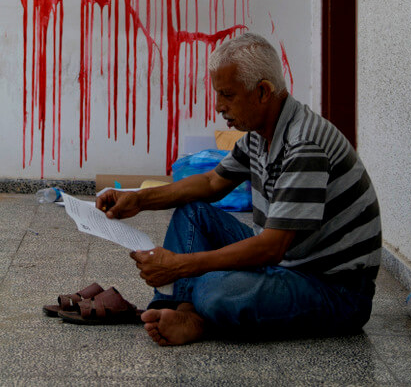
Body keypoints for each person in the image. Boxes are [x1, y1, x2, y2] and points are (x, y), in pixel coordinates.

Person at [95, 32, 381, 346]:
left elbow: (272, 248)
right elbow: (211, 182)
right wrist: (138, 200)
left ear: (262, 92)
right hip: (287, 263)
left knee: (215, 291)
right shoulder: (261, 133)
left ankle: (198, 315)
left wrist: (180, 266)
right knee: (193, 213)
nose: (219, 106)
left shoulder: (304, 146)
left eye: (227, 95)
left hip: (333, 289)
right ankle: (180, 310)